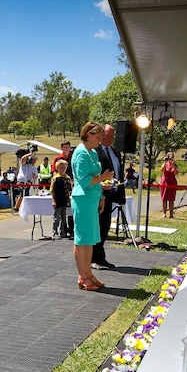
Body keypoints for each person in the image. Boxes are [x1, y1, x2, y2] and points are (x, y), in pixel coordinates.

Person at [72, 121, 115, 291]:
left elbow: (93, 179)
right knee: (81, 240)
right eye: (98, 137)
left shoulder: (92, 152)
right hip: (82, 200)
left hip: (91, 199)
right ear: (88, 135)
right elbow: (84, 180)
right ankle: (83, 276)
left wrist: (102, 191)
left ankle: (88, 274)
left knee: (89, 241)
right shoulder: (81, 153)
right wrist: (103, 177)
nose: (100, 141)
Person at [92, 123, 126, 270]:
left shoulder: (116, 151)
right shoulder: (95, 151)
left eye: (113, 135)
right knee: (98, 226)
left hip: (112, 192)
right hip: (99, 193)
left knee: (105, 225)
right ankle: (94, 258)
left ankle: (101, 257)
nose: (110, 138)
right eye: (107, 135)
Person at [53, 141, 75, 235]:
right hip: (61, 185)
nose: (67, 149)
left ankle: (71, 228)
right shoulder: (57, 158)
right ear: (62, 148)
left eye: (68, 147)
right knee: (62, 210)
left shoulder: (73, 157)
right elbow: (54, 172)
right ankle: (63, 229)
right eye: (65, 147)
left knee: (71, 207)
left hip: (72, 184)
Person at [50, 159, 72, 240]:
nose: (63, 169)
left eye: (64, 167)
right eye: (61, 167)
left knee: (64, 217)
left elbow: (69, 190)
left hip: (65, 200)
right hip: (58, 199)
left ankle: (62, 232)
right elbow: (52, 190)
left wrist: (69, 200)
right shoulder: (56, 178)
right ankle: (54, 232)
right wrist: (54, 200)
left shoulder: (67, 178)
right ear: (57, 168)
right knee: (56, 217)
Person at [158, 152, 180, 218]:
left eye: (172, 157)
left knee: (171, 199)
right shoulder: (165, 164)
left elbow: (176, 173)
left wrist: (173, 165)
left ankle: (171, 214)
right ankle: (164, 213)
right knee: (164, 199)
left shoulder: (175, 165)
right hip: (164, 182)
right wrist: (165, 162)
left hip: (172, 182)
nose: (171, 158)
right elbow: (161, 170)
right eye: (170, 157)